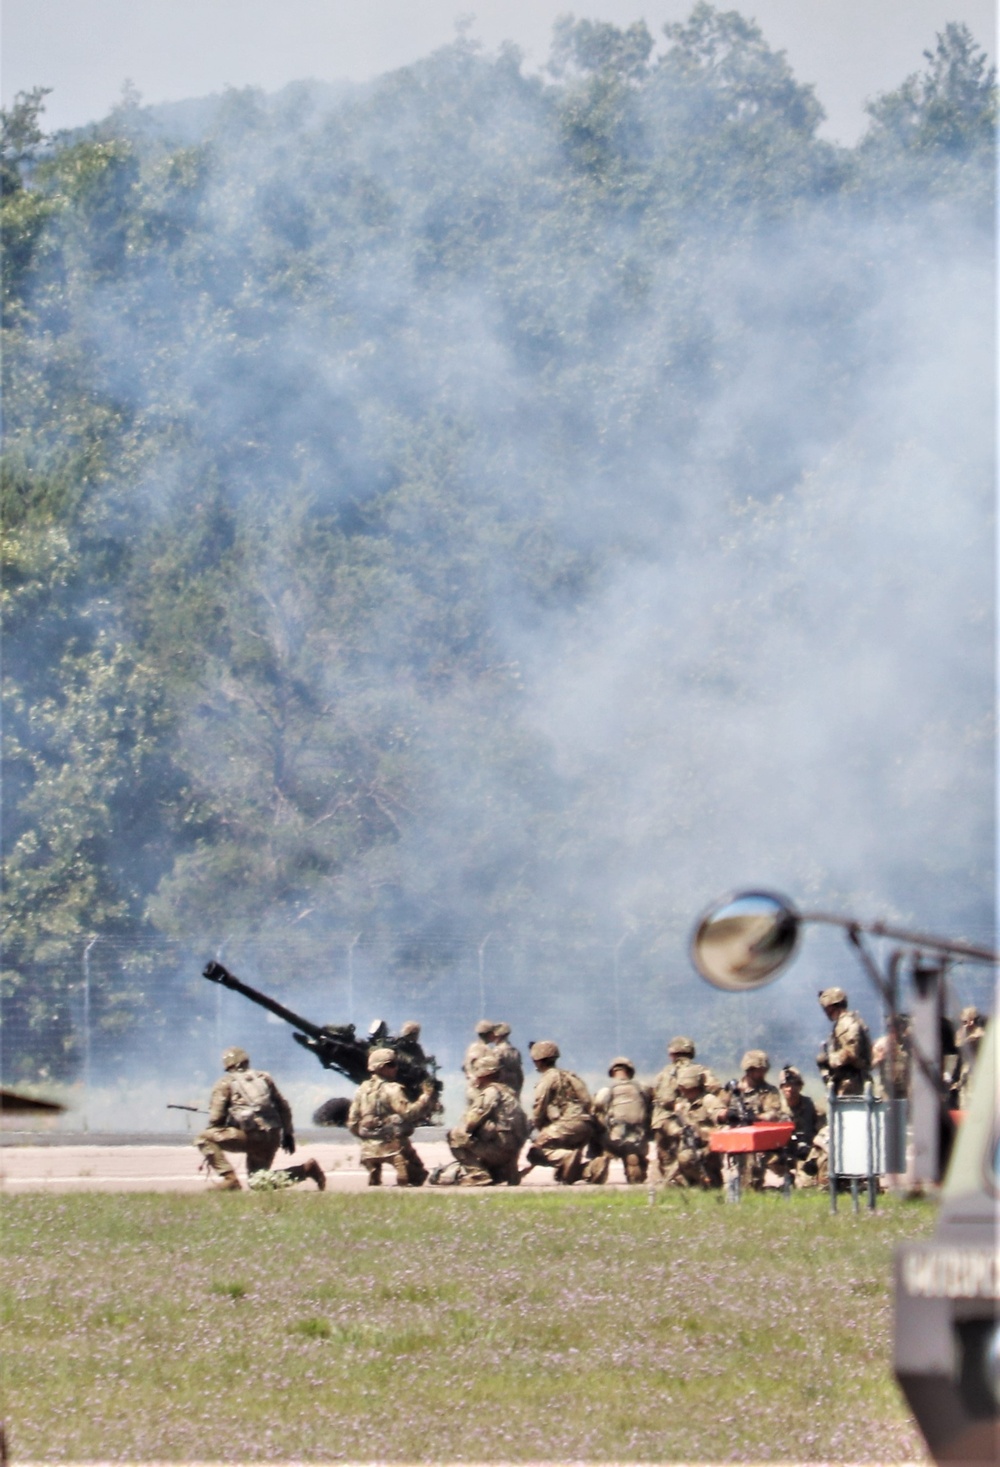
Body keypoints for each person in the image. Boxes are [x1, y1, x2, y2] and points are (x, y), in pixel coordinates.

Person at [195, 1046, 325, 1191]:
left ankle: (230, 1179)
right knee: (258, 1182)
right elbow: (283, 1106)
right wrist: (288, 1134)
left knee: (203, 1138)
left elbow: (215, 1119)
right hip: (272, 1136)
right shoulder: (264, 1078)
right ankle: (307, 1170)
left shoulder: (226, 1083)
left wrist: (225, 1121)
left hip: (251, 1136)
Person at [347, 1047, 437, 1186]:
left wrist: (367, 1136)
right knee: (419, 1175)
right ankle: (401, 1163)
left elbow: (352, 1122)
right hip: (392, 1145)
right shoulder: (392, 1089)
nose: (395, 1068)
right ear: (380, 1068)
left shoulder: (361, 1090)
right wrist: (425, 1098)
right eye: (391, 1065)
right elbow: (408, 1113)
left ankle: (374, 1169)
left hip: (367, 1149)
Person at [438, 1053, 530, 1186]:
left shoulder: (490, 1092)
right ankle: (508, 1172)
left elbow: (471, 1122)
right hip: (513, 1150)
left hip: (500, 1150)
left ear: (484, 1074)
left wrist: (471, 1128)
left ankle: (478, 1174)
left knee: (455, 1136)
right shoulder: (509, 1092)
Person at [524, 1040, 595, 1185]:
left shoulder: (548, 1078)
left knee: (536, 1152)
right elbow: (587, 1100)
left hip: (566, 1124)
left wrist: (539, 1129)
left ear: (537, 1061)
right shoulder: (569, 1076)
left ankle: (565, 1157)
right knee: (563, 1174)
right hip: (585, 1125)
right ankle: (591, 1169)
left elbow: (539, 1107)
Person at [721, 1049, 783, 1191]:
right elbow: (716, 1107)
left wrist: (757, 1118)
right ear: (748, 1070)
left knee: (753, 1167)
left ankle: (750, 1188)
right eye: (757, 1070)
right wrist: (727, 1114)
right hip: (733, 1133)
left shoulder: (769, 1091)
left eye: (763, 1070)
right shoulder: (733, 1089)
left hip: (757, 1136)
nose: (761, 1074)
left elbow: (774, 1113)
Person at [659, 1064, 725, 1188]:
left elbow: (721, 1125)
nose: (684, 1091)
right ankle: (693, 1185)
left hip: (707, 1152)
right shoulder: (682, 1102)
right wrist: (676, 1130)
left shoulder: (708, 1100)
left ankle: (707, 1184)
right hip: (685, 1149)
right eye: (682, 1088)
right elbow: (667, 1122)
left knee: (686, 1158)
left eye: (687, 1088)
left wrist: (704, 1137)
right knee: (668, 1184)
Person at [587, 1057, 652, 1184]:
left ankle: (600, 1159)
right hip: (639, 1141)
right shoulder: (643, 1088)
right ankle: (635, 1159)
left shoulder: (606, 1091)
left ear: (612, 1072)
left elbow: (595, 1107)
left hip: (614, 1141)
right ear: (630, 1071)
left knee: (594, 1126)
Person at [816, 987, 872, 1096]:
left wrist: (829, 1059)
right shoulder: (848, 1021)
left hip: (850, 1084)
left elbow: (851, 1053)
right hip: (851, 1081)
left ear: (832, 1006)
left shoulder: (846, 1023)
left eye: (826, 1008)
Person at [777, 1064, 821, 1188]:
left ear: (800, 1086)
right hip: (781, 1156)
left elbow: (823, 1132)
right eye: (786, 1085)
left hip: (805, 1156)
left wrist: (812, 1151)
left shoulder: (810, 1106)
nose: (789, 1089)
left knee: (806, 1184)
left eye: (793, 1085)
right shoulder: (776, 1108)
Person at [463, 1020, 497, 1101]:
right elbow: (474, 1067)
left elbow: (465, 1067)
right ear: (488, 1034)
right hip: (479, 1089)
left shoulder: (473, 1047)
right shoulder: (482, 1048)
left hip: (475, 1087)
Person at [491, 1021, 524, 1097]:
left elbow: (493, 1072)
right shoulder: (515, 1052)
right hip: (514, 1091)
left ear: (499, 1036)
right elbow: (520, 1075)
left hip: (500, 1091)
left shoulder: (497, 1051)